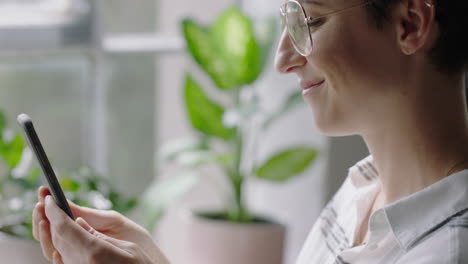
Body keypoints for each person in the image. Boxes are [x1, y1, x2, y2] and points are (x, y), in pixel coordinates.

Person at [33, 0, 468, 263]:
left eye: (310, 22)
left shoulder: (447, 250)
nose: (283, 59)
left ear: (409, 23)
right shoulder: (361, 196)